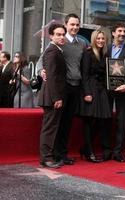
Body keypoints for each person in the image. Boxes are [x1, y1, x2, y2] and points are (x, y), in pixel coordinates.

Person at [53, 13, 87, 165]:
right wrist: (42, 71)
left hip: (76, 87)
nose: (75, 27)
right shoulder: (60, 40)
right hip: (63, 87)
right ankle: (56, 154)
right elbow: (43, 60)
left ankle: (63, 153)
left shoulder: (81, 44)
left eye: (77, 25)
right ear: (66, 25)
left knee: (67, 123)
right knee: (59, 121)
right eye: (72, 24)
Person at [103, 22, 125, 162]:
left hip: (123, 91)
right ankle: (106, 150)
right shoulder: (106, 48)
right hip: (106, 90)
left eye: (124, 31)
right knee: (106, 119)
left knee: (121, 121)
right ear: (113, 33)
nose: (122, 34)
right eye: (120, 31)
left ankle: (117, 152)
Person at [78, 29, 111, 163]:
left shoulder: (105, 54)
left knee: (101, 120)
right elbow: (84, 74)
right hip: (90, 89)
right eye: (98, 38)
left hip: (101, 89)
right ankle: (89, 151)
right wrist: (87, 93)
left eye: (103, 38)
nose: (101, 41)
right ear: (93, 40)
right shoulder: (88, 53)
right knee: (88, 121)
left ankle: (85, 148)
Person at [38, 23, 67, 168]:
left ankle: (49, 156)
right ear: (51, 36)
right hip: (51, 97)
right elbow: (52, 76)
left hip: (52, 96)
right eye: (58, 34)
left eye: (63, 34)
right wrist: (57, 98)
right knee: (49, 128)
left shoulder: (57, 50)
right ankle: (46, 158)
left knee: (52, 127)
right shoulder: (52, 51)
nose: (61, 37)